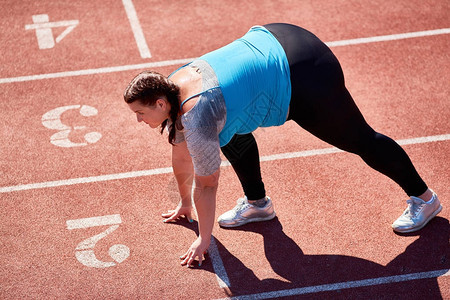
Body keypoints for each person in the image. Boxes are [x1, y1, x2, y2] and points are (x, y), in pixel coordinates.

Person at [123, 23, 442, 267]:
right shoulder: (175, 84)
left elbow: (207, 185)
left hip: (304, 73)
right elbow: (181, 158)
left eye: (140, 113)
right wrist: (184, 204)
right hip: (278, 36)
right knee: (231, 130)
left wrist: (204, 240)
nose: (138, 120)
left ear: (161, 103)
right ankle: (258, 204)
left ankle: (425, 199)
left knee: (360, 139)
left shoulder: (198, 116)